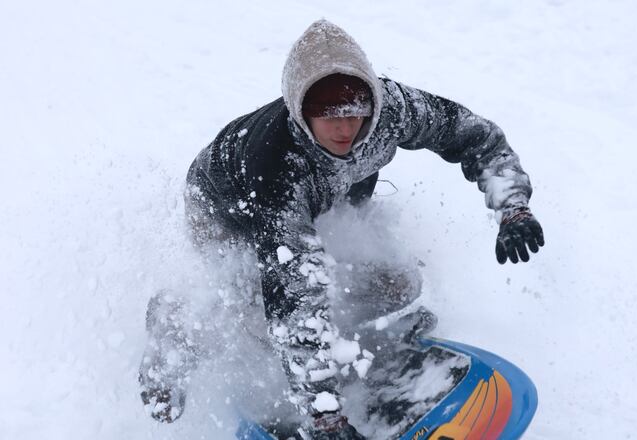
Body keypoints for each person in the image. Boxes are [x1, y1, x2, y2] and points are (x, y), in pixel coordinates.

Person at [139, 19, 544, 439]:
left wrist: (513, 207)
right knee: (256, 321)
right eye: (328, 115)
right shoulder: (278, 169)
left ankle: (351, 345)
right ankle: (175, 326)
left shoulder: (394, 110)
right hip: (226, 211)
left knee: (399, 284)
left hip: (323, 198)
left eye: (355, 112)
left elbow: (475, 137)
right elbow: (294, 299)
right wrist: (324, 413)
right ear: (301, 111)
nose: (346, 127)